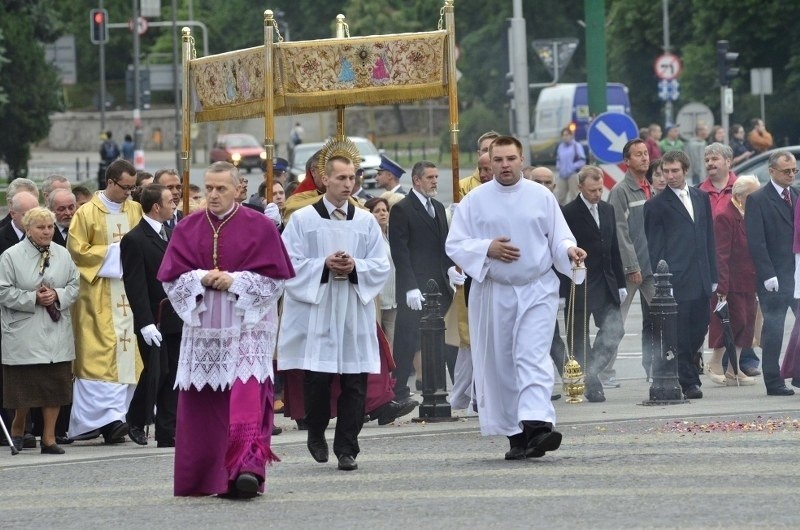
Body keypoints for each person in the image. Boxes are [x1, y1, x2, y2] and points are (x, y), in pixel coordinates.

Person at [158, 161, 294, 497]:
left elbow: (276, 281)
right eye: (209, 188)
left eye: (221, 188)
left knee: (246, 398)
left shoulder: (260, 226)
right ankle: (203, 476)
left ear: (238, 189)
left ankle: (245, 470)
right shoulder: (187, 227)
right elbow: (171, 279)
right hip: (205, 330)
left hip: (247, 328)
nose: (214, 195)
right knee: (203, 405)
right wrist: (199, 278)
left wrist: (236, 280)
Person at [446, 135, 586, 460]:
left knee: (531, 355)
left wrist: (570, 251)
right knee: (503, 363)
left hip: (536, 288)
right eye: (499, 160)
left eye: (511, 159)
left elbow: (559, 236)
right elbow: (455, 244)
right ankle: (517, 436)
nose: (505, 165)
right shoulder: (475, 201)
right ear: (489, 162)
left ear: (521, 160)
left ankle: (539, 426)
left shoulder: (541, 196)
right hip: (495, 291)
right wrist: (486, 248)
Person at [278, 138, 390, 472]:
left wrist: (356, 267)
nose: (348, 184)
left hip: (353, 306)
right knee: (318, 377)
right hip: (319, 306)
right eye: (340, 178)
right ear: (325, 179)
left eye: (352, 178)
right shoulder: (303, 220)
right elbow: (287, 262)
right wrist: (322, 265)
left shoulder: (366, 221)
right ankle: (315, 430)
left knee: (355, 379)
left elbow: (382, 263)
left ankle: (347, 447)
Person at [67, 159, 143, 443]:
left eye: (133, 188)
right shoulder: (86, 213)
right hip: (97, 296)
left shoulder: (135, 209)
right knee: (98, 356)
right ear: (110, 182)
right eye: (126, 187)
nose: (129, 193)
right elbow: (77, 252)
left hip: (130, 296)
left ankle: (119, 419)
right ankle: (98, 420)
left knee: (128, 356)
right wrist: (116, 253)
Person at [0, 207, 79, 454]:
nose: (46, 232)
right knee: (26, 386)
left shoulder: (63, 254)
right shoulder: (11, 256)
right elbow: (3, 290)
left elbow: (75, 285)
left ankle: (48, 438)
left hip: (56, 329)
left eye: (50, 227)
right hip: (26, 330)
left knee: (54, 386)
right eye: (40, 227)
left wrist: (58, 294)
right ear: (28, 229)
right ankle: (19, 426)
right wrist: (33, 298)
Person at [644, 150, 718, 399]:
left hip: (701, 275)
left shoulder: (701, 197)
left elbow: (709, 237)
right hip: (676, 277)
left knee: (700, 327)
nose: (669, 176)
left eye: (675, 171)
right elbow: (655, 248)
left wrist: (714, 274)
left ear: (685, 170)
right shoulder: (656, 205)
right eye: (666, 171)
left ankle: (687, 367)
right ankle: (689, 381)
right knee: (682, 331)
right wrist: (664, 282)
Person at [389, 160, 461, 400]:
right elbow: (401, 251)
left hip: (439, 287)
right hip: (415, 289)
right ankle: (398, 391)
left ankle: (457, 389)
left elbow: (444, 246)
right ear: (417, 180)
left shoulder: (439, 208)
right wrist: (409, 286)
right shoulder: (403, 209)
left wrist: (450, 269)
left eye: (436, 177)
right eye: (430, 177)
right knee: (407, 341)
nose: (435, 182)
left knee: (448, 340)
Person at [121, 185, 182, 447]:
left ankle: (167, 432)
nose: (174, 205)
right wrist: (144, 322)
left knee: (174, 373)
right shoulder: (134, 239)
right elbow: (135, 285)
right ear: (156, 207)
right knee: (158, 371)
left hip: (175, 317)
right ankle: (135, 419)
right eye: (170, 201)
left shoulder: (170, 233)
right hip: (153, 320)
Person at [560, 166, 627, 403]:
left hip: (606, 281)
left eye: (600, 189)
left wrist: (620, 282)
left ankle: (592, 369)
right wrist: (561, 291)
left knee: (615, 329)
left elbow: (614, 248)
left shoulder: (607, 209)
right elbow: (560, 249)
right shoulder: (568, 213)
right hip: (579, 283)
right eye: (592, 191)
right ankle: (591, 384)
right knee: (578, 336)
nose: (597, 195)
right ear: (580, 188)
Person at [744, 150, 798, 396]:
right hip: (773, 277)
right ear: (772, 171)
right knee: (774, 328)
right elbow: (756, 241)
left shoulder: (796, 195)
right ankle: (773, 381)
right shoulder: (758, 199)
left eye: (794, 171)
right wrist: (767, 274)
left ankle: (797, 374)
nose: (791, 175)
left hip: (796, 275)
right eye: (786, 171)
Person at [607, 139, 655, 382]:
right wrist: (631, 266)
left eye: (646, 153)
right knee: (616, 323)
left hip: (653, 268)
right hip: (631, 271)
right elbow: (619, 232)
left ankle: (661, 367)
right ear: (627, 161)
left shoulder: (652, 188)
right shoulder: (620, 191)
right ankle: (603, 371)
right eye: (638, 154)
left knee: (664, 318)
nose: (644, 158)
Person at [707, 175, 760, 386]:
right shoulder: (725, 216)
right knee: (729, 323)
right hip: (731, 281)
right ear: (739, 196)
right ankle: (715, 363)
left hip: (748, 279)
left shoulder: (749, 213)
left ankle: (734, 369)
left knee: (745, 325)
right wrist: (722, 285)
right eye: (752, 195)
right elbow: (721, 254)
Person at [0, 190, 41, 447]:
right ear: (13, 214)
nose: (33, 218)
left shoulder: (46, 237)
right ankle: (14, 426)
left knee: (36, 375)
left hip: (42, 320)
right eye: (27, 214)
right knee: (13, 375)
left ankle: (29, 427)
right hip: (11, 318)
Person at [366, 197, 397, 344]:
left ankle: (391, 368)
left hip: (393, 299)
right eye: (377, 211)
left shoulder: (393, 234)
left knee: (391, 340)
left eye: (385, 210)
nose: (382, 214)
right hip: (377, 296)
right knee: (376, 340)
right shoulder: (370, 235)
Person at [698, 143, 737, 217]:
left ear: (728, 162)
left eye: (714, 159)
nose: (709, 163)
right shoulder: (697, 192)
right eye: (707, 160)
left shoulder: (742, 187)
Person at [459, 131, 499, 196]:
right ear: (478, 154)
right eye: (485, 150)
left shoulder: (509, 182)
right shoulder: (463, 186)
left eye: (493, 150)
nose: (489, 153)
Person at [554, 127, 586, 205]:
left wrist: (573, 167)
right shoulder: (561, 147)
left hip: (573, 174)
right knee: (560, 196)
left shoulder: (576, 145)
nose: (565, 137)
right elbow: (558, 158)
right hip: (562, 175)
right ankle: (562, 213)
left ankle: (576, 213)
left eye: (567, 135)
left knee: (574, 196)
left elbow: (582, 160)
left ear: (571, 135)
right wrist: (558, 166)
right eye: (563, 135)